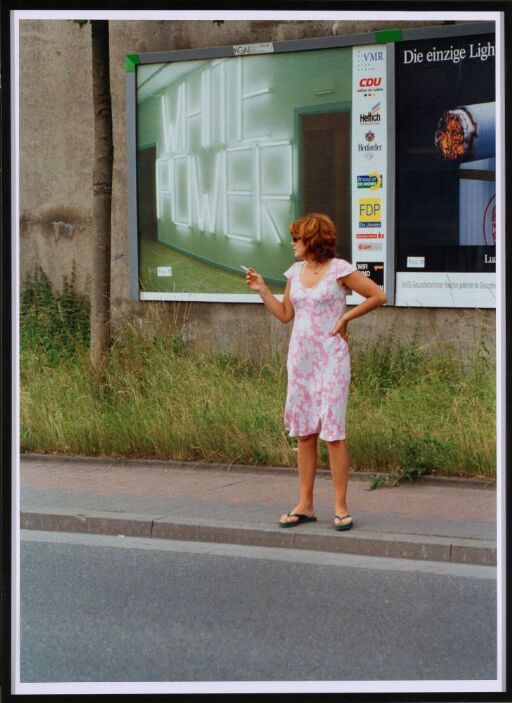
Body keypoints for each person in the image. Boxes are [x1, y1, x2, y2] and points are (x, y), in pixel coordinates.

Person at [245, 213, 387, 531]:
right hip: (301, 360)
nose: (292, 243)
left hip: (332, 359)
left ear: (313, 240)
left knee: (333, 432)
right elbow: (285, 315)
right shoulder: (294, 272)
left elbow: (378, 295)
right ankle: (305, 505)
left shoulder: (340, 270)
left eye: (297, 238)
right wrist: (262, 290)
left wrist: (345, 318)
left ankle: (340, 507)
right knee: (305, 432)